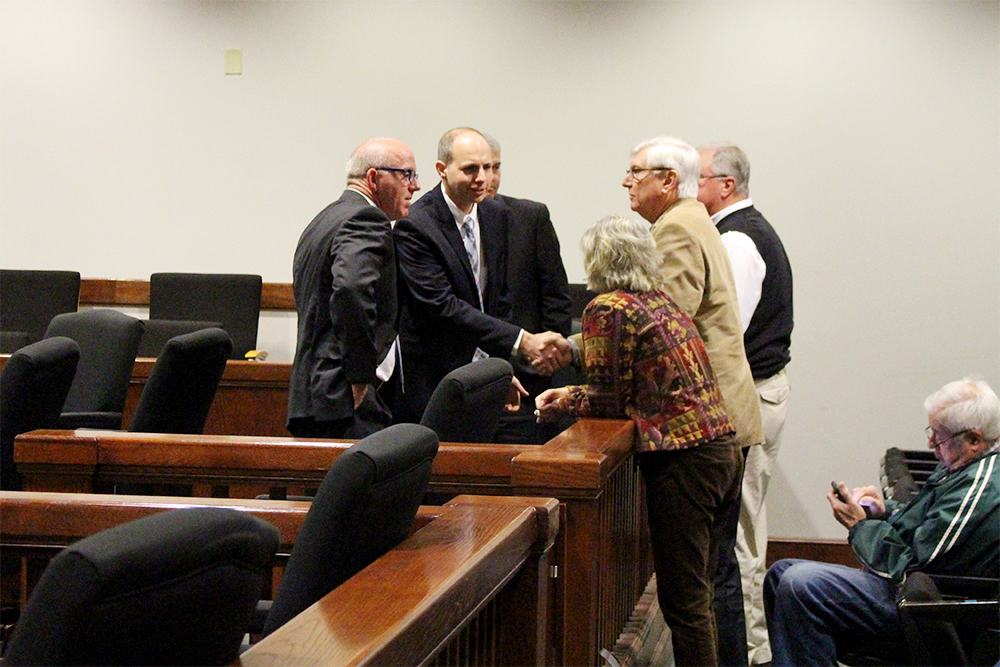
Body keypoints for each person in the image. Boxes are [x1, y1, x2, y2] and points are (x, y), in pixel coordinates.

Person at [536, 215, 742, 667]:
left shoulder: (609, 308)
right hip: (721, 449)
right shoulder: (660, 300)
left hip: (685, 460)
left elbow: (607, 399)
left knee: (684, 604)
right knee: (700, 596)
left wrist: (565, 397)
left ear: (598, 260)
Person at [623, 136, 764, 666]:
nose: (626, 181)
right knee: (712, 574)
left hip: (701, 426)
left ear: (667, 180)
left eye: (636, 172)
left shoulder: (678, 226)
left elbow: (666, 328)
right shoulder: (696, 218)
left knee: (696, 588)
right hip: (724, 419)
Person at [764, 378, 1000, 667]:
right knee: (780, 573)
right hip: (920, 592)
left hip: (932, 609)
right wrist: (883, 512)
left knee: (800, 585)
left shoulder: (981, 486)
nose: (930, 444)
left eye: (938, 437)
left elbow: (912, 568)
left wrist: (860, 526)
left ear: (975, 440)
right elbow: (926, 525)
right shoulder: (964, 469)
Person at [392, 127, 565, 424]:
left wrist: (499, 370)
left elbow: (499, 300)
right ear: (441, 170)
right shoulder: (416, 225)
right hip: (437, 380)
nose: (482, 178)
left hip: (490, 376)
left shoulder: (494, 214)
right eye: (470, 169)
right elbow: (442, 308)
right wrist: (521, 340)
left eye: (488, 167)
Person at [698, 142, 793, 666]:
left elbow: (723, 334)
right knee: (741, 532)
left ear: (726, 186)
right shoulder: (745, 230)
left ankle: (752, 653)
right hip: (764, 390)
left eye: (701, 179)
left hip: (750, 395)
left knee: (737, 538)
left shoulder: (737, 240)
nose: (693, 189)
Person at [287, 137, 419, 439]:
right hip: (343, 396)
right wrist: (360, 378)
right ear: (374, 177)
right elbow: (350, 291)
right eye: (406, 174)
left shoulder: (325, 219)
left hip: (315, 393)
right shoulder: (365, 219)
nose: (415, 186)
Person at [483, 133, 573, 444]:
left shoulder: (530, 217)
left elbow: (557, 298)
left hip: (529, 374)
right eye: (480, 168)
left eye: (495, 167)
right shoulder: (434, 224)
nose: (488, 178)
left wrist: (543, 361)